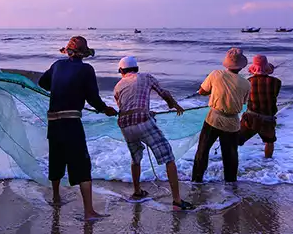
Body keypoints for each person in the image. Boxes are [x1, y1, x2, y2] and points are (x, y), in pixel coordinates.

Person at [39, 36, 117, 221]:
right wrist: (105, 109)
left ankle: (56, 197)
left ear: (67, 51)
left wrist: (60, 87)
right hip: (71, 122)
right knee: (82, 165)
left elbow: (43, 83)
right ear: (84, 53)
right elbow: (93, 98)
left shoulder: (57, 65)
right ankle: (89, 212)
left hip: (53, 123)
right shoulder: (86, 69)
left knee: (56, 160)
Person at [112, 56, 193, 210]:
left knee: (135, 158)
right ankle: (177, 201)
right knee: (168, 157)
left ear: (121, 71)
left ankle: (137, 192)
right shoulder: (146, 77)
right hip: (142, 120)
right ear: (136, 68)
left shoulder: (117, 86)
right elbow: (165, 93)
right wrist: (173, 105)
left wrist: (147, 112)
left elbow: (126, 108)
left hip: (124, 124)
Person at [191, 48, 251, 183]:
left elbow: (202, 91)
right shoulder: (246, 83)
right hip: (232, 123)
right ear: (241, 66)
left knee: (203, 150)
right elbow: (243, 102)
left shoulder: (215, 74)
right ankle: (230, 184)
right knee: (230, 155)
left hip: (214, 119)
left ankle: (196, 181)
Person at [238, 55, 282, 158]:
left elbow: (244, 100)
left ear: (253, 69)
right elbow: (274, 95)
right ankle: (268, 162)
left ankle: (231, 163)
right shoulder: (276, 82)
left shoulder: (247, 82)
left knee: (236, 141)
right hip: (268, 119)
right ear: (267, 68)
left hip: (250, 119)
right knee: (269, 142)